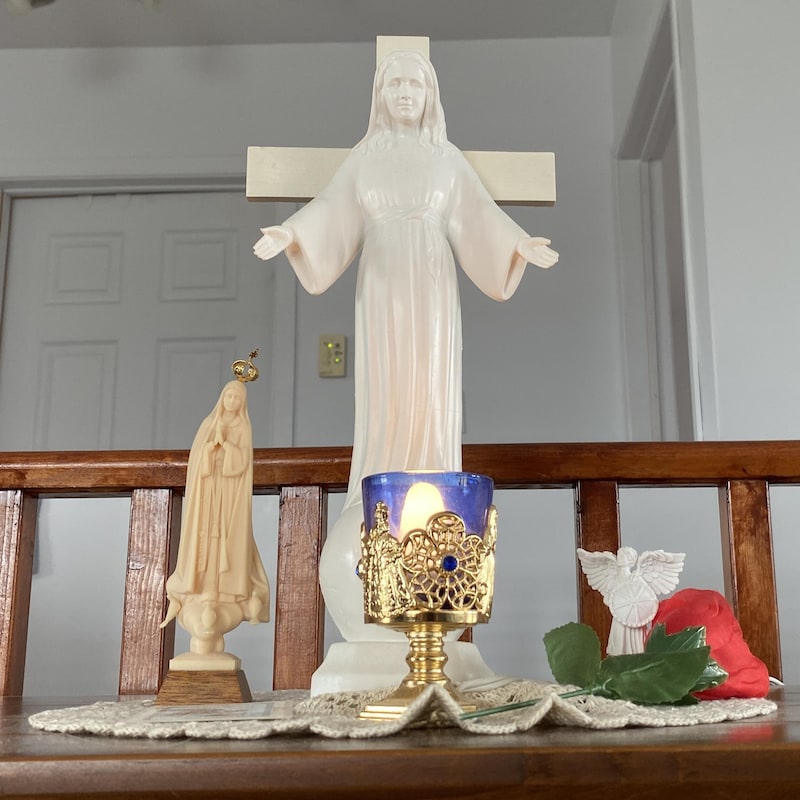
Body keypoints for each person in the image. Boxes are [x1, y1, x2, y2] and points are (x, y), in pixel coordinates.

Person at [254, 49, 558, 513]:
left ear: (429, 95)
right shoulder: (365, 158)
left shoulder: (446, 159)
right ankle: (378, 492)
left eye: (414, 85)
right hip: (381, 281)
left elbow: (478, 215)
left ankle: (433, 490)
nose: (404, 94)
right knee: (387, 380)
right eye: (395, 84)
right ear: (380, 95)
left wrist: (517, 245)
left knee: (431, 376)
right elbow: (332, 209)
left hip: (433, 281)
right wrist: (290, 233)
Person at [162, 379, 270, 630]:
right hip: (208, 491)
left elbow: (242, 462)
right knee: (206, 538)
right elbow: (197, 460)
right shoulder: (209, 424)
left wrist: (229, 446)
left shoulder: (243, 428)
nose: (232, 401)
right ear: (222, 398)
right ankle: (202, 583)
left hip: (230, 492)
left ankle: (224, 587)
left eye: (237, 398)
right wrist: (212, 447)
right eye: (229, 396)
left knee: (225, 538)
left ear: (242, 403)